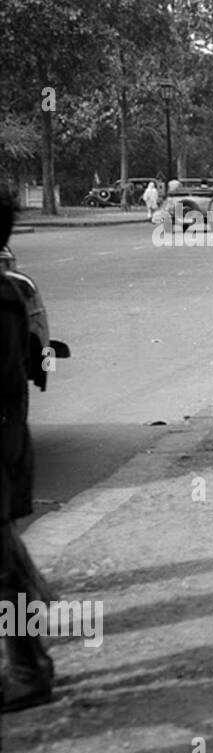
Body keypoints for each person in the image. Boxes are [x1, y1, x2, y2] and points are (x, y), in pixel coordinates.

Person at [0, 189, 55, 713]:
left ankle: (28, 668)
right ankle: (29, 662)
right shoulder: (12, 294)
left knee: (4, 568)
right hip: (11, 442)